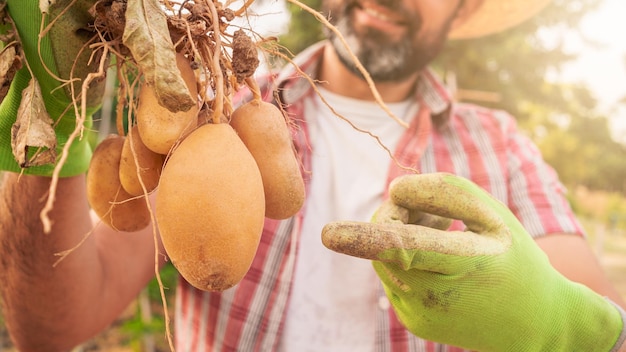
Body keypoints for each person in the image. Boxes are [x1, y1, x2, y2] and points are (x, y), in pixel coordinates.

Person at [0, 0, 624, 351]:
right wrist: (44, 144)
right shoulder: (208, 111)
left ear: (464, 10)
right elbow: (50, 330)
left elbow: (608, 319)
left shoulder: (503, 147)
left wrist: (563, 319)